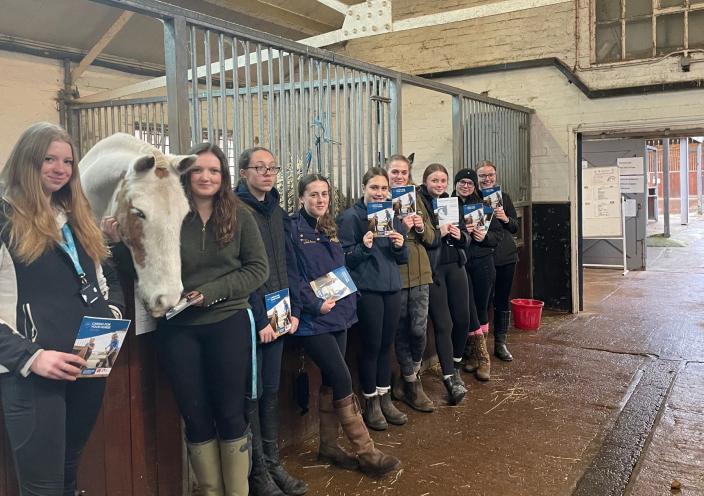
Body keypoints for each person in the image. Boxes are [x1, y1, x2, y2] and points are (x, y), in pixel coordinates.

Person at [105, 142, 269, 496]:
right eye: (198, 170)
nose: (206, 177)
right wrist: (117, 242)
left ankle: (237, 491)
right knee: (194, 415)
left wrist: (210, 292)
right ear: (186, 174)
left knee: (230, 413)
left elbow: (258, 269)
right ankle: (210, 491)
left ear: (224, 176)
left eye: (213, 170)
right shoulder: (169, 212)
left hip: (227, 322)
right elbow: (138, 262)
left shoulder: (241, 216)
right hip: (177, 329)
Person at [0, 122, 125, 495]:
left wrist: (110, 320)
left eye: (67, 161)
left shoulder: (75, 216)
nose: (60, 168)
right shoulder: (5, 219)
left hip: (86, 365)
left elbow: (106, 280)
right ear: (26, 161)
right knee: (42, 486)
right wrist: (30, 357)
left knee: (69, 472)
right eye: (49, 159)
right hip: (33, 375)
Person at [285, 174, 400, 477]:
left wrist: (361, 250)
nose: (320, 200)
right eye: (313, 195)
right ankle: (367, 452)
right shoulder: (293, 231)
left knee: (330, 381)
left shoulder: (329, 227)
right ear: (301, 198)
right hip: (314, 319)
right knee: (343, 378)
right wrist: (313, 305)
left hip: (339, 313)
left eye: (324, 194)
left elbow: (342, 265)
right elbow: (292, 277)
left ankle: (328, 447)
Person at [235, 146, 308, 496]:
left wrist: (295, 310)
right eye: (259, 167)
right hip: (252, 320)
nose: (267, 173)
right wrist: (260, 316)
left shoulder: (278, 213)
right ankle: (257, 473)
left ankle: (273, 462)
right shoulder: (235, 213)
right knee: (252, 393)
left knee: (270, 390)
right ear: (243, 172)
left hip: (280, 315)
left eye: (272, 167)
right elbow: (239, 268)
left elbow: (291, 265)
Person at [337, 168, 408, 430]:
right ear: (363, 188)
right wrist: (362, 248)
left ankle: (385, 396)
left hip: (392, 288)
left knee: (386, 345)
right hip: (367, 289)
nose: (379, 193)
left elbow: (403, 258)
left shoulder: (393, 216)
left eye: (383, 188)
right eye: (374, 188)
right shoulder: (350, 218)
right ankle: (371, 402)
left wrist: (401, 245)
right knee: (371, 346)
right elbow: (344, 259)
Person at [385, 155, 436, 412]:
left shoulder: (415, 198)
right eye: (394, 172)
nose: (399, 176)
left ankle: (411, 374)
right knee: (401, 329)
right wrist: (401, 228)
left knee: (418, 328)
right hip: (395, 272)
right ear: (387, 173)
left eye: (403, 172)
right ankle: (411, 383)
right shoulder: (381, 199)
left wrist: (419, 225)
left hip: (420, 270)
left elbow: (431, 235)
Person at [417, 164, 469, 405]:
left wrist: (462, 237)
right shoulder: (420, 203)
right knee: (443, 323)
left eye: (442, 181)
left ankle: (456, 365)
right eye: (434, 180)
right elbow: (423, 238)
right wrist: (439, 230)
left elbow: (466, 237)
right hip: (434, 269)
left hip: (456, 265)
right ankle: (449, 378)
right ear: (425, 181)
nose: (439, 185)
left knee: (463, 319)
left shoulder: (452, 203)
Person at [453, 168, 501, 381]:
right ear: (455, 184)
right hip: (459, 263)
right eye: (462, 182)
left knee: (480, 307)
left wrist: (484, 237)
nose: (465, 186)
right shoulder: (447, 205)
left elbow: (498, 235)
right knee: (467, 309)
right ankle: (473, 354)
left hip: (482, 261)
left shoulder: (485, 205)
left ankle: (483, 358)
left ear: (475, 186)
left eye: (470, 183)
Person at [477, 160, 519, 362]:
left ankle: (500, 343)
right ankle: (479, 346)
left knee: (502, 300)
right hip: (482, 257)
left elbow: (515, 227)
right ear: (477, 178)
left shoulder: (505, 198)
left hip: (505, 257)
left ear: (495, 176)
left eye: (490, 175)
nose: (487, 179)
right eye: (482, 176)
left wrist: (504, 218)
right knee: (482, 302)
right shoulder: (473, 198)